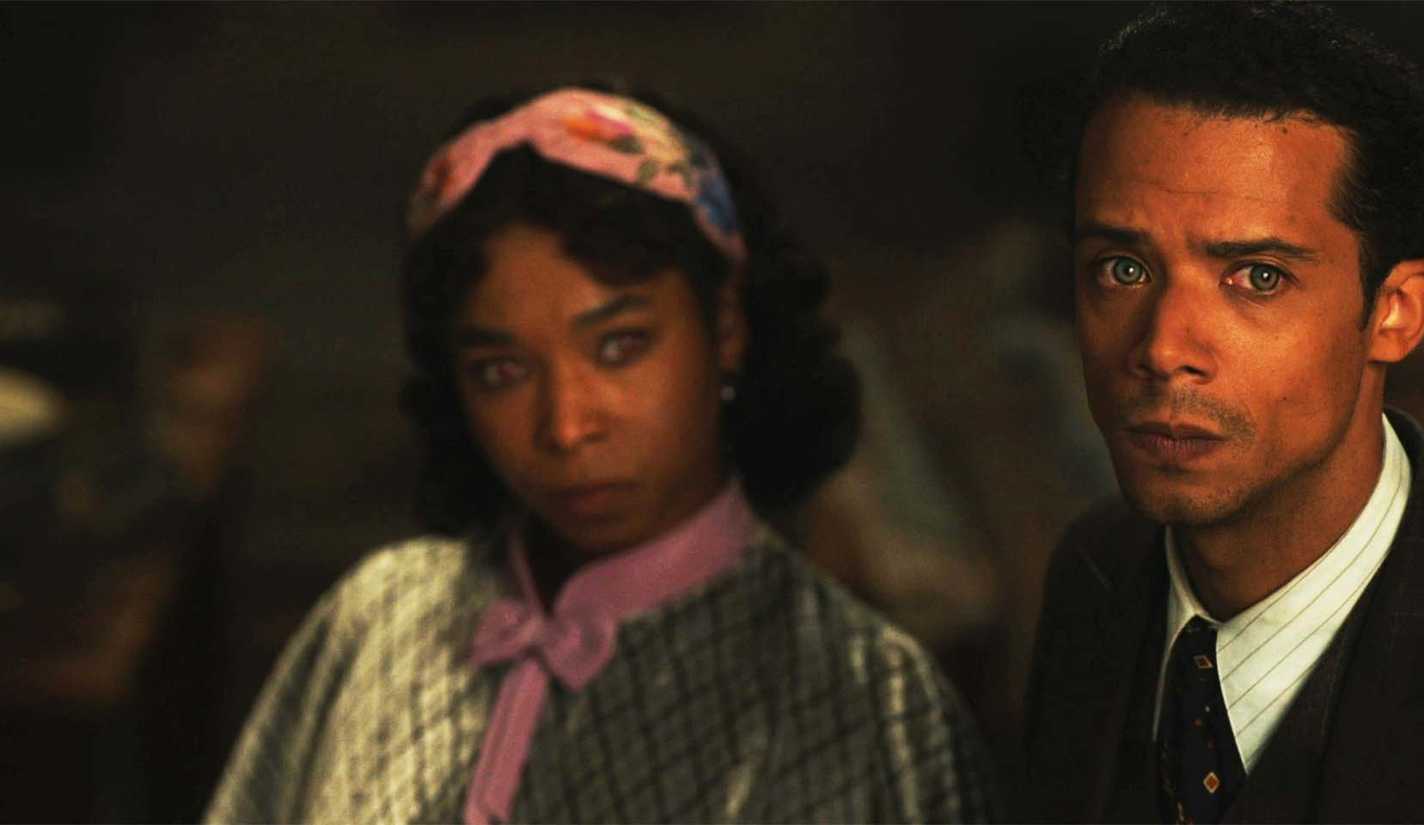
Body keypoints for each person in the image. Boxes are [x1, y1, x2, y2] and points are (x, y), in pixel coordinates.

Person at [206, 86, 995, 824]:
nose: (566, 424)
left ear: (724, 328)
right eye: (502, 371)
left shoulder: (872, 697)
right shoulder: (376, 622)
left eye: (620, 346)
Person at [1022, 4, 1424, 823]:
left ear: (1396, 313)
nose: (1164, 346)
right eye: (1122, 268)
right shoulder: (1095, 575)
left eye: (1258, 277)